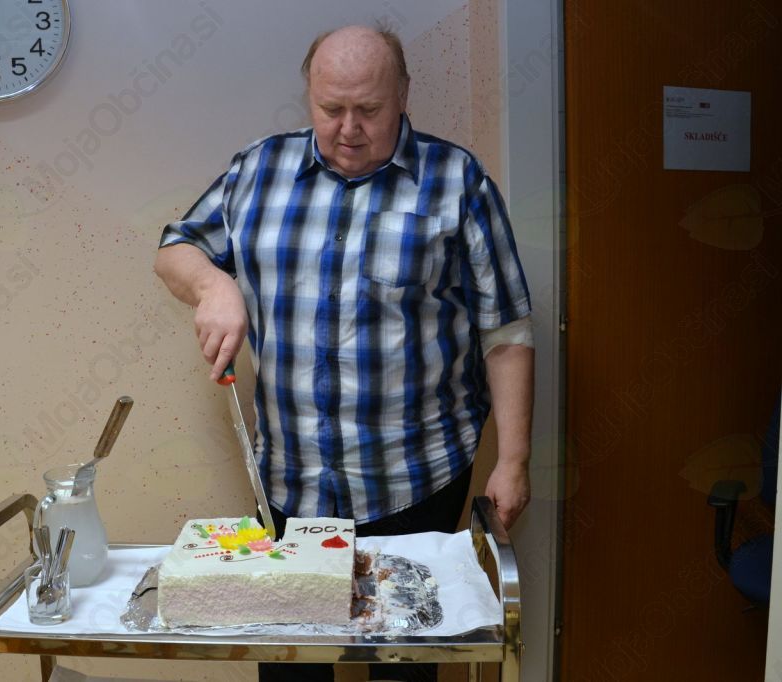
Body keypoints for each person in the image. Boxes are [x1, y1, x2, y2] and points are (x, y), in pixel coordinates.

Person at [155, 24, 534, 682]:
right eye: (331, 109)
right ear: (309, 94)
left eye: (370, 109)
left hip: (416, 482)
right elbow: (174, 249)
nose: (348, 129)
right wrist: (214, 285)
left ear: (403, 95)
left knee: (403, 668)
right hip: (290, 484)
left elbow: (506, 333)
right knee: (293, 665)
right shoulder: (257, 169)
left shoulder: (457, 180)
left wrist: (515, 460)